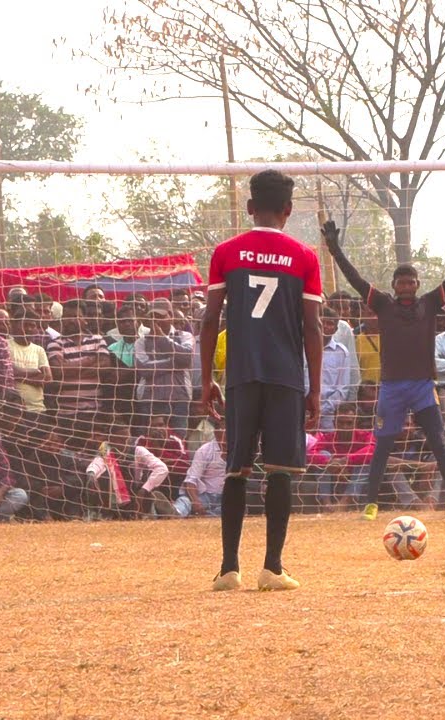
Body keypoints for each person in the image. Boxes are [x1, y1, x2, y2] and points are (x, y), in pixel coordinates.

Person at [200, 170, 324, 592]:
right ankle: (272, 567)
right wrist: (316, 389)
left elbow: (210, 318)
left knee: (236, 470)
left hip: (241, 374)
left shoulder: (226, 252)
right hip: (285, 376)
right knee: (280, 470)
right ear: (288, 210)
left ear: (250, 207)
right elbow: (312, 328)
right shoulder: (305, 256)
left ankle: (228, 569)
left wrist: (206, 379)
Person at [324, 212, 445, 523]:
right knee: (383, 447)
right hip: (391, 388)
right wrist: (335, 250)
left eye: (411, 281)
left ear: (418, 284)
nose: (406, 285)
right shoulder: (383, 304)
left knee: (438, 442)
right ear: (393, 285)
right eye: (401, 282)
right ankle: (371, 504)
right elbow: (355, 279)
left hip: (421, 386)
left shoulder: (431, 303)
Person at [135, 305, 195, 434]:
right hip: (150, 399)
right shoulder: (141, 342)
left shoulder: (185, 336)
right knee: (150, 442)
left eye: (160, 316)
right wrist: (175, 363)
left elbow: (186, 358)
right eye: (153, 316)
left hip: (179, 398)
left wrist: (162, 338)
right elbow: (144, 369)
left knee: (178, 442)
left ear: (170, 316)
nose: (156, 320)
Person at [315, 306, 355, 431]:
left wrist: (321, 409)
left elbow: (342, 389)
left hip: (328, 416)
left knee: (326, 448)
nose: (325, 326)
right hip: (302, 413)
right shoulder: (300, 348)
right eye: (321, 322)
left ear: (335, 329)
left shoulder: (341, 352)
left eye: (330, 323)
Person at [7, 307, 52, 414]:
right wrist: (34, 373)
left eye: (33, 326)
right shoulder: (5, 345)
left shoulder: (39, 350)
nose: (29, 329)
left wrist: (19, 377)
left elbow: (47, 378)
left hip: (38, 409)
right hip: (12, 410)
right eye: (25, 325)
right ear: (14, 325)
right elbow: (8, 371)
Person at [181, 420, 227, 518]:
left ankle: (204, 517)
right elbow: (191, 480)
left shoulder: (239, 449)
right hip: (206, 496)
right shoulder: (204, 450)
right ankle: (175, 512)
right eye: (223, 429)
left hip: (227, 497)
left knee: (234, 507)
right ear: (216, 432)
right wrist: (196, 501)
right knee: (185, 501)